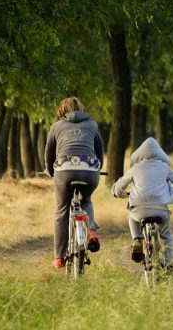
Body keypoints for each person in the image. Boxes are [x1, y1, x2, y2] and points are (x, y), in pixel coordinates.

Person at [44, 97, 103, 269]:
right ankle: (90, 229)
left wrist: (50, 171)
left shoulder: (56, 127)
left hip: (64, 170)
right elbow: (100, 153)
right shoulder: (92, 125)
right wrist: (97, 168)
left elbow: (49, 155)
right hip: (90, 169)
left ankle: (59, 257)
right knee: (86, 201)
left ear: (62, 111)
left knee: (62, 210)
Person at [110, 137, 173, 270]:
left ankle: (137, 239)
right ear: (160, 154)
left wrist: (118, 193)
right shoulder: (164, 166)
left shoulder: (136, 168)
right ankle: (169, 265)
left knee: (132, 218)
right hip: (160, 209)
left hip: (139, 209)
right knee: (166, 235)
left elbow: (119, 186)